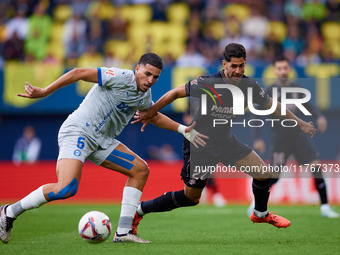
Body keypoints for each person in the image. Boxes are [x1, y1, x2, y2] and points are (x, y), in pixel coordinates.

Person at [0, 53, 208, 244]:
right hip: (78, 131)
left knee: (140, 169)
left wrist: (184, 130)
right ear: (137, 69)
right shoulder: (118, 76)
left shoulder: (144, 96)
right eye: (147, 74)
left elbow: (152, 114)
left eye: (155, 77)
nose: (150, 80)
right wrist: (45, 91)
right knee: (66, 189)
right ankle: (9, 211)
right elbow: (78, 72)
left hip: (102, 140)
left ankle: (124, 231)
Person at [131, 43, 317, 238]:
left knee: (263, 174)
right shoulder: (209, 82)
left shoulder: (249, 86)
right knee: (191, 197)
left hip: (225, 141)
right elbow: (176, 92)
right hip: (199, 144)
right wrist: (152, 111)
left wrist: (300, 122)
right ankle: (140, 210)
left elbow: (273, 106)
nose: (238, 71)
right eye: (234, 66)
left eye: (241, 66)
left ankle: (260, 213)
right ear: (224, 64)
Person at [249, 56, 339, 218]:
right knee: (274, 178)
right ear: (274, 71)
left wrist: (319, 116)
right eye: (279, 68)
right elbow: (256, 115)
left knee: (316, 168)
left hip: (299, 138)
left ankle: (325, 207)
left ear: (289, 70)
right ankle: (256, 201)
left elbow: (309, 106)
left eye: (285, 68)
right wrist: (257, 137)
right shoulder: (268, 92)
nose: (283, 71)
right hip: (280, 140)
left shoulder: (297, 89)